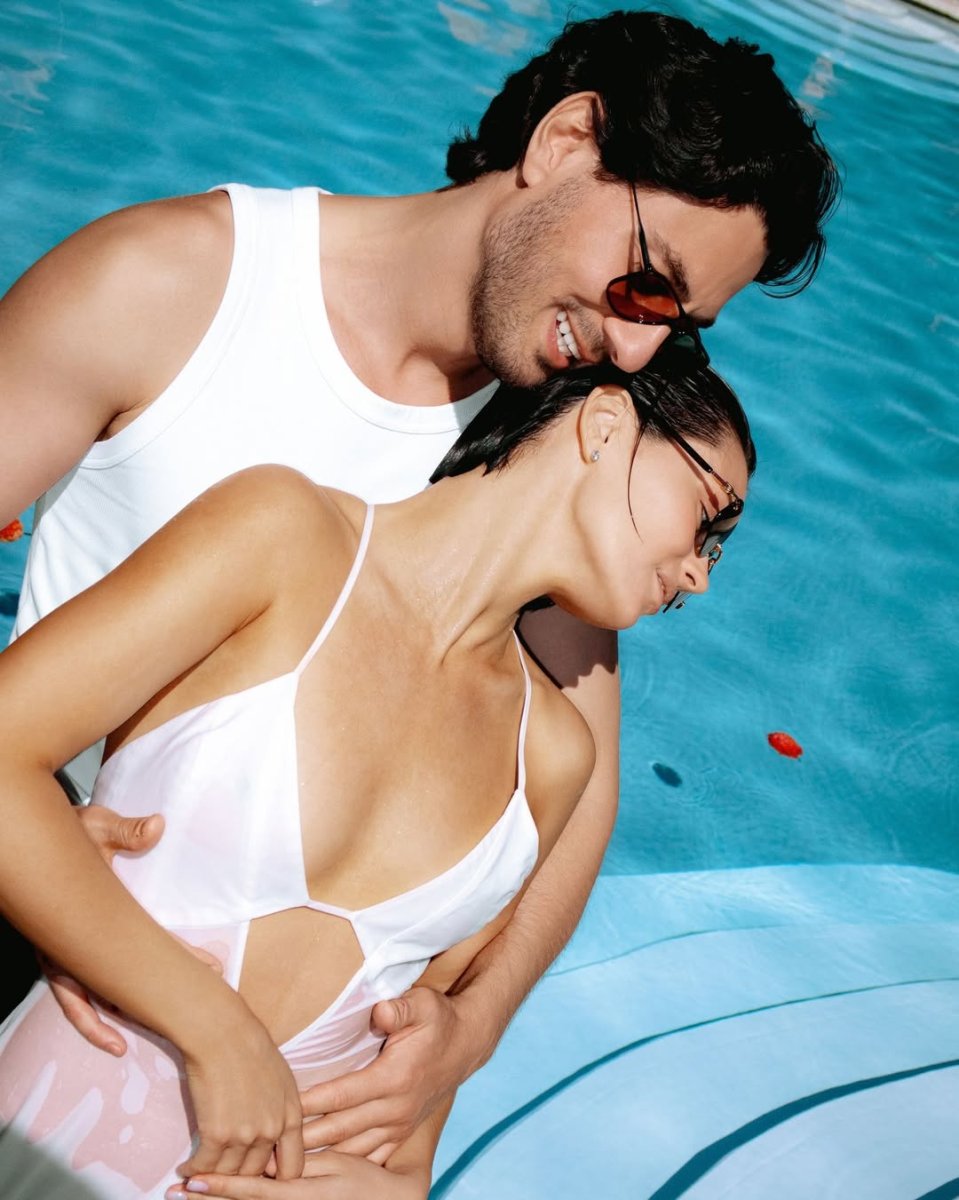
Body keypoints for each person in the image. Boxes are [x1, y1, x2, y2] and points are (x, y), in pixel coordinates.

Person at [0, 7, 838, 1163]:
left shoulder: (545, 445)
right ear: (562, 142)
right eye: (647, 288)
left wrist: (467, 1033)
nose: (639, 350)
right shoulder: (176, 285)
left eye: (678, 326)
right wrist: (44, 850)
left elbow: (571, 797)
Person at [0, 357, 754, 1200]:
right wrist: (211, 1027)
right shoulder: (285, 538)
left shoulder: (549, 755)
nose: (699, 573)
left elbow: (417, 1066)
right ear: (604, 424)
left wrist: (401, 1188)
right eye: (708, 516)